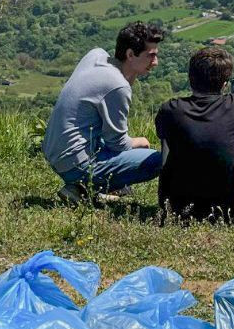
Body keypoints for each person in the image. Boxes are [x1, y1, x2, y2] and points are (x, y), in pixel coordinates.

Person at [42, 21, 163, 204]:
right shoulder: (117, 85)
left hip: (56, 151)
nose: (155, 62)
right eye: (151, 56)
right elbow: (118, 144)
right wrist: (142, 142)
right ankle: (82, 186)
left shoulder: (95, 55)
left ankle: (83, 187)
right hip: (75, 163)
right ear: (130, 54)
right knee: (156, 160)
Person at [155, 46, 234, 221]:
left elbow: (163, 135)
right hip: (226, 207)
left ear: (190, 78)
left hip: (177, 204)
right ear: (225, 84)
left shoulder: (170, 109)